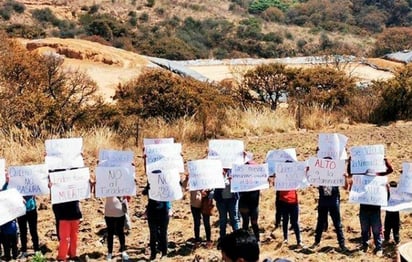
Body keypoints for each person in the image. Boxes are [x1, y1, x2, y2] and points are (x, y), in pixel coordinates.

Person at [347, 157, 393, 257]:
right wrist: (350, 162)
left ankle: (379, 248)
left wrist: (386, 161)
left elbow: (390, 170)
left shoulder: (379, 178)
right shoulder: (361, 179)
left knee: (377, 230)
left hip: (375, 210)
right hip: (364, 209)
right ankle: (365, 245)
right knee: (364, 229)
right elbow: (351, 174)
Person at [311, 157, 348, 252]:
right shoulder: (319, 175)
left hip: (333, 202)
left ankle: (342, 244)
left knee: (337, 224)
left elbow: (345, 187)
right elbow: (312, 182)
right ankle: (316, 242)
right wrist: (309, 172)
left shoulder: (337, 174)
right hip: (323, 202)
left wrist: (345, 177)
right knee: (320, 223)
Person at [142, 176, 171, 260]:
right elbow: (144, 192)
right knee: (153, 234)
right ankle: (153, 254)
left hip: (163, 211)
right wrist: (148, 188)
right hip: (152, 211)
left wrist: (170, 208)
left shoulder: (166, 182)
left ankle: (164, 253)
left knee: (163, 233)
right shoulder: (150, 183)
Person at [213, 168, 240, 241]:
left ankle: (237, 237)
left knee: (234, 218)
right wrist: (220, 177)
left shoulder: (234, 170)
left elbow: (239, 184)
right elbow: (213, 185)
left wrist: (232, 181)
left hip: (233, 199)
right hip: (221, 200)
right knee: (223, 219)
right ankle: (223, 238)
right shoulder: (217, 171)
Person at [238, 160, 261, 242]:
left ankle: (257, 240)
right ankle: (245, 241)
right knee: (245, 222)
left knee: (254, 223)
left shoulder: (258, 180)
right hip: (244, 204)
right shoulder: (240, 180)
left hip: (254, 205)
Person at [104, 196, 129, 261]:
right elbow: (98, 193)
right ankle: (110, 253)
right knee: (110, 233)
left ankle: (123, 251)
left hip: (120, 213)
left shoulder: (123, 186)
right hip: (108, 213)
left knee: (120, 232)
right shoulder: (106, 186)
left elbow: (127, 196)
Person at [17, 194, 40, 258]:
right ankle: (24, 250)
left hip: (32, 208)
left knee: (33, 230)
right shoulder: (15, 184)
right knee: (23, 231)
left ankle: (37, 250)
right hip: (20, 209)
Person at [1, 174, 18, 261]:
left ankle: (14, 256)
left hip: (11, 224)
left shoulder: (10, 191)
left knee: (13, 241)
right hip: (4, 225)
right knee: (6, 242)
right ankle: (8, 256)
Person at [384, 181, 400, 245]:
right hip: (395, 214)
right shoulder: (398, 194)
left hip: (389, 214)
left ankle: (389, 239)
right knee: (395, 228)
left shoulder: (387, 194)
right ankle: (396, 240)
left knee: (388, 227)